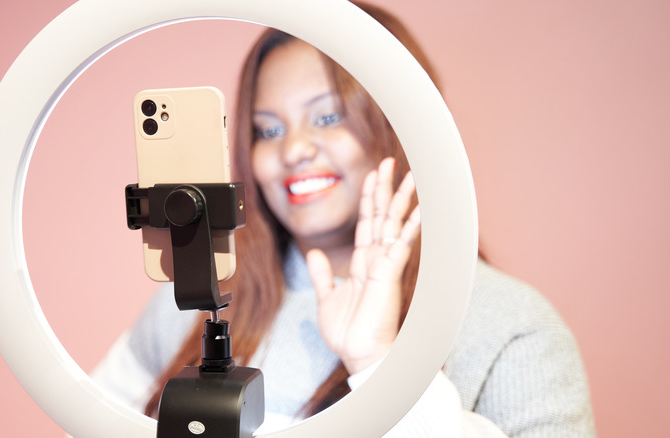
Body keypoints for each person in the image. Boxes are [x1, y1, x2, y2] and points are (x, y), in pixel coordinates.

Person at [92, 2, 595, 436]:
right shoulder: (201, 294)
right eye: (267, 130)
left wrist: (378, 364)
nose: (293, 150)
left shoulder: (513, 329)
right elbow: (86, 424)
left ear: (402, 123)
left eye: (328, 117)